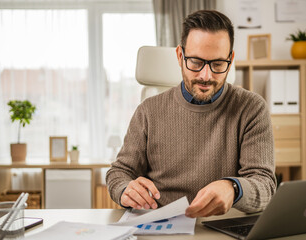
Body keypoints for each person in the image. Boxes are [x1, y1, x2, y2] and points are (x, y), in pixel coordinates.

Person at [106, 10, 276, 218]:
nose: (206, 76)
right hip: (161, 224)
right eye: (196, 62)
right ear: (180, 56)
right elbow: (118, 173)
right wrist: (125, 189)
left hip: (222, 226)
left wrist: (234, 188)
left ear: (230, 60)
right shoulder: (148, 111)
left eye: (217, 64)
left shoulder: (251, 108)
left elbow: (265, 185)